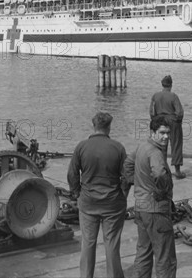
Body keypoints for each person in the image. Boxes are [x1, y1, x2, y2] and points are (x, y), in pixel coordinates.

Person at [67, 112, 128, 278]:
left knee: (88, 243)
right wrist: (123, 194)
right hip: (113, 205)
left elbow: (72, 174)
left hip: (87, 203)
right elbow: (127, 176)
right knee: (112, 244)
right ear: (109, 127)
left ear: (93, 126)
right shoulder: (118, 147)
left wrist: (77, 193)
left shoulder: (81, 147)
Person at [124, 116, 176, 278]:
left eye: (168, 133)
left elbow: (127, 164)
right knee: (165, 258)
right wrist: (161, 191)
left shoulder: (142, 147)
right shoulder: (155, 152)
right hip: (156, 211)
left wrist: (137, 182)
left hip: (141, 208)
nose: (166, 137)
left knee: (143, 253)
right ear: (153, 132)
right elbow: (160, 174)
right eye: (162, 133)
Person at [149, 75, 185, 179]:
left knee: (160, 145)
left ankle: (162, 169)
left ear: (162, 84)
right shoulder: (173, 96)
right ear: (171, 85)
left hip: (160, 120)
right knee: (176, 144)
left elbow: (151, 112)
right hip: (173, 121)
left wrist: (155, 121)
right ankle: (177, 171)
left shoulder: (155, 96)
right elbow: (179, 112)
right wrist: (178, 122)